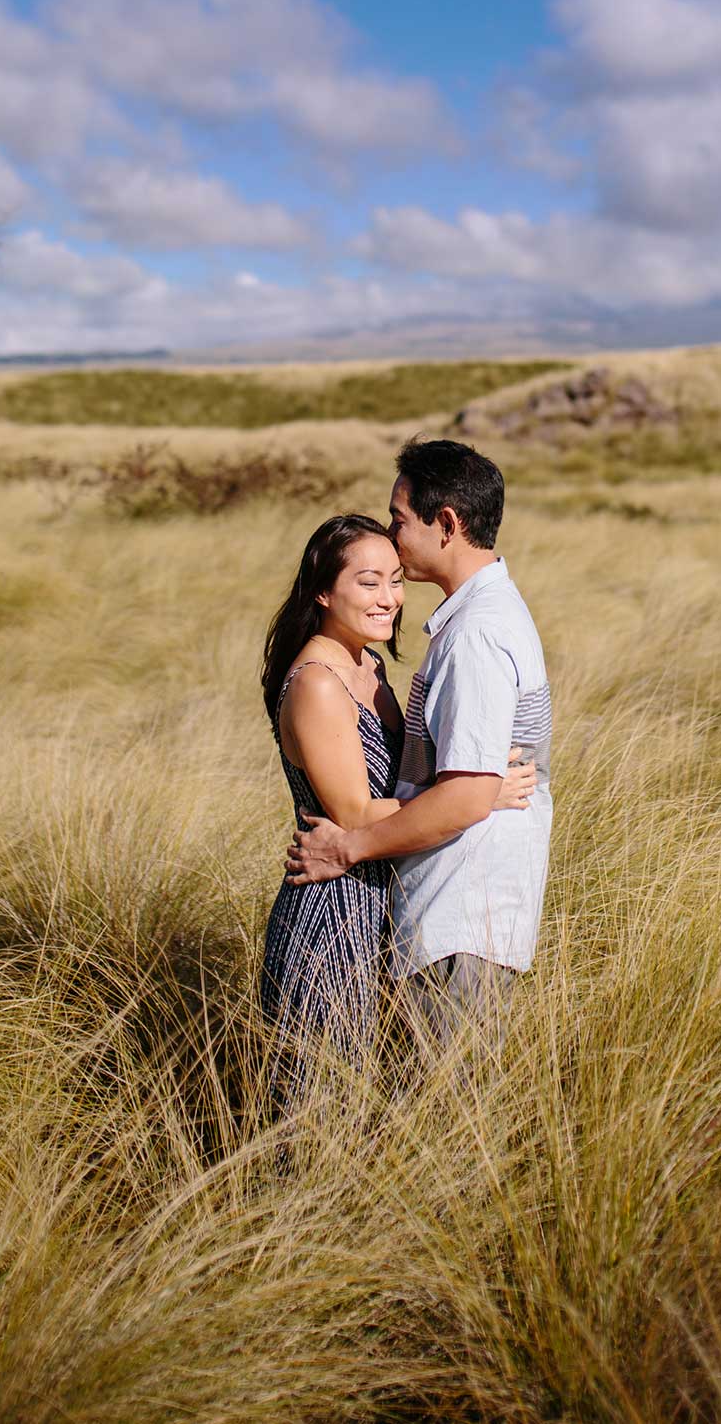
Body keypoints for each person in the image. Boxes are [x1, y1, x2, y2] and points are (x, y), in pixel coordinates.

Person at [285, 440, 553, 1045]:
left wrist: (349, 848)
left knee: (445, 1127)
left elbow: (465, 796)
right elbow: (467, 791)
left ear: (448, 525)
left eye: (400, 519)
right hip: (443, 909)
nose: (392, 532)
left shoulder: (476, 636)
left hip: (461, 912)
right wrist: (478, 794)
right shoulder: (480, 620)